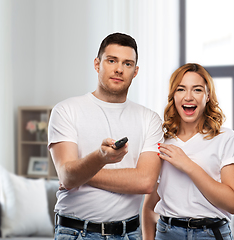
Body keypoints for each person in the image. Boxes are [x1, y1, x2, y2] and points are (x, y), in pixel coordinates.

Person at [48, 32, 164, 240]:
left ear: (135, 71)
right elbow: (67, 175)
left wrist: (82, 174)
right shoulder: (66, 110)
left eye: (128, 64)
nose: (119, 69)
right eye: (112, 60)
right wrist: (100, 158)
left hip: (129, 233)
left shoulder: (150, 119)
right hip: (76, 232)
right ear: (97, 64)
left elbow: (146, 182)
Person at [141, 63, 234, 240]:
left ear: (207, 96)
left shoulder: (226, 138)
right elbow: (149, 206)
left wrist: (188, 165)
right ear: (173, 96)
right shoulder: (162, 141)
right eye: (181, 89)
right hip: (167, 233)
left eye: (197, 90)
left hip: (211, 234)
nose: (188, 97)